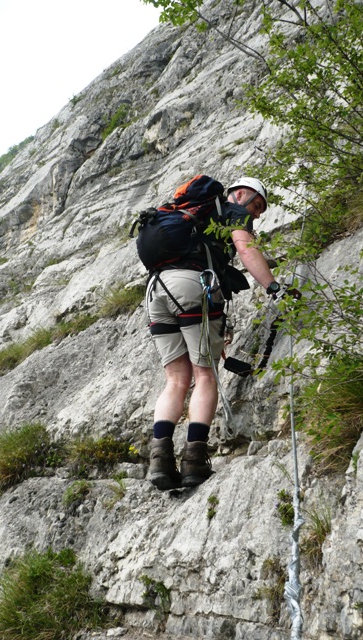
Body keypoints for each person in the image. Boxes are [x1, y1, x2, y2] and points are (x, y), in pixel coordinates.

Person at [145, 176, 280, 490]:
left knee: (176, 379)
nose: (257, 214)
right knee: (204, 375)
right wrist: (273, 287)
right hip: (194, 284)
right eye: (256, 205)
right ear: (240, 194)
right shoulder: (232, 211)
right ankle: (194, 461)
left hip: (156, 290)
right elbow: (245, 248)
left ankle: (159, 461)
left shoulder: (185, 212)